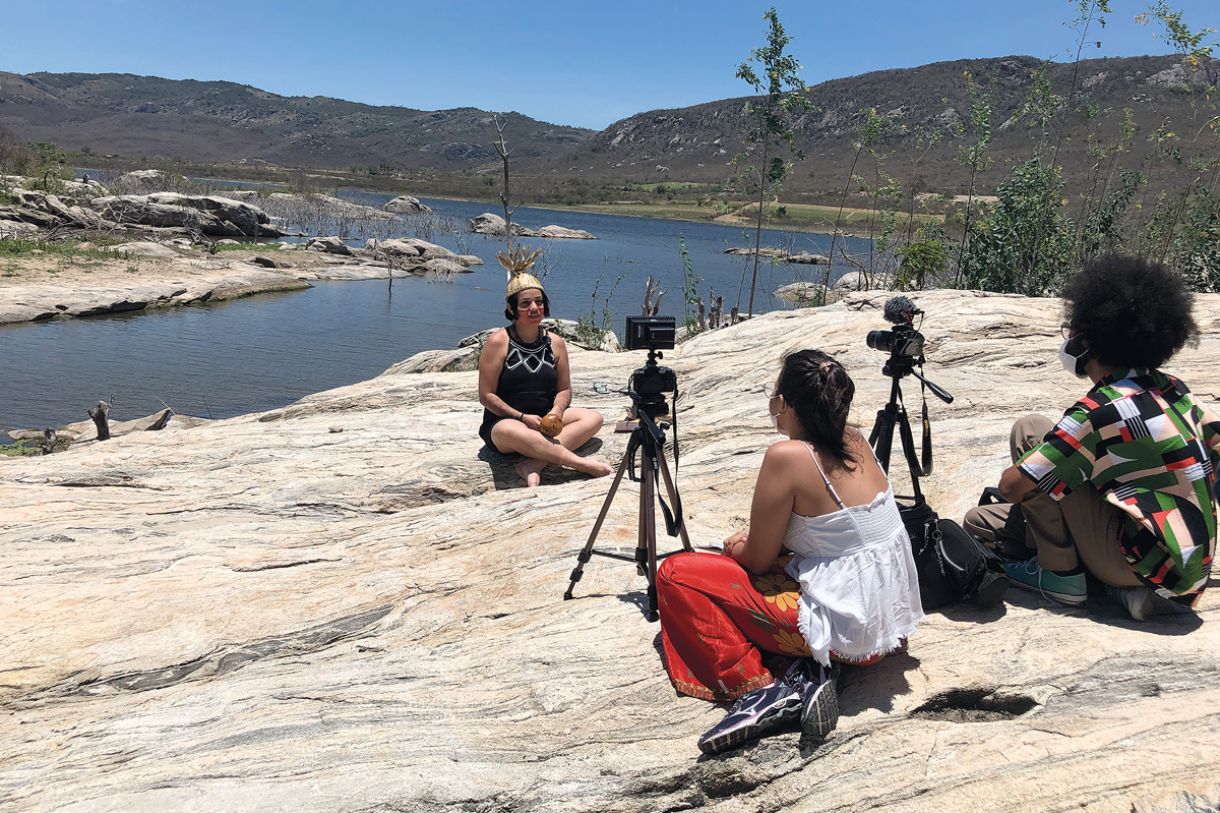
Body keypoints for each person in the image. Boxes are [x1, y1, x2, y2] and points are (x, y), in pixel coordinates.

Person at [656, 349, 924, 756]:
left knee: (676, 573)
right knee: (764, 567)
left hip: (847, 637)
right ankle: (806, 671)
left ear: (786, 404)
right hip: (887, 630)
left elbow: (757, 560)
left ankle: (761, 690)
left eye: (775, 397)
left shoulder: (788, 456)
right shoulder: (853, 438)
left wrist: (736, 546)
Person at [965, 254, 1219, 620]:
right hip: (1187, 569)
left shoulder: (1099, 410)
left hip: (1139, 563)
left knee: (1032, 434)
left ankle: (1062, 578)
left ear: (1091, 341)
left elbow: (1012, 487)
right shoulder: (1176, 392)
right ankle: (1122, 591)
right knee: (981, 519)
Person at [478, 246, 613, 487]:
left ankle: (534, 464)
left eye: (539, 302)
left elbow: (564, 390)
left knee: (593, 418)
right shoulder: (498, 342)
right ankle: (581, 464)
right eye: (525, 303)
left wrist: (557, 412)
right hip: (505, 424)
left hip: (545, 420)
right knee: (512, 431)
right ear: (511, 308)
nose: (534, 309)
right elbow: (486, 396)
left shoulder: (556, 343)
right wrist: (521, 417)